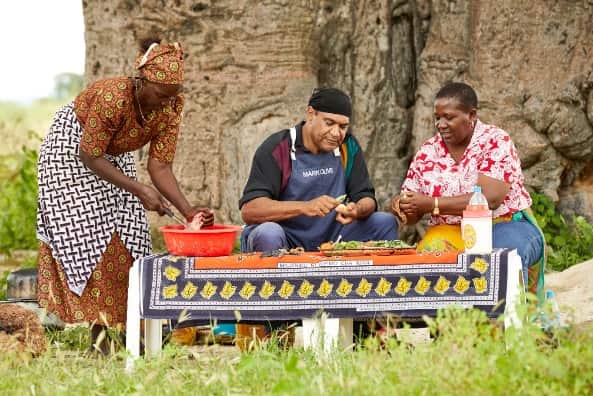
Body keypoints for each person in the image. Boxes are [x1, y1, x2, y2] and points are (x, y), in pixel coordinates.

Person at [36, 37, 214, 354]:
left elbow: (159, 166)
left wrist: (187, 212)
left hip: (111, 154)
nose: (163, 103)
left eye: (170, 96)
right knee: (91, 234)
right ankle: (100, 342)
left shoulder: (171, 105)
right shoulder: (113, 96)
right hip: (72, 150)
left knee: (130, 234)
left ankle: (132, 335)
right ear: (142, 80)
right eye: (159, 94)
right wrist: (139, 189)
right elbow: (90, 155)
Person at [391, 82, 544, 297]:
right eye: (437, 118)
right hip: (451, 231)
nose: (441, 124)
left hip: (503, 224)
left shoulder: (495, 141)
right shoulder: (428, 152)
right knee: (426, 261)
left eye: (449, 117)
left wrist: (431, 204)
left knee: (500, 260)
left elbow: (490, 198)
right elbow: (414, 215)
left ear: (471, 115)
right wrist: (403, 205)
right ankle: (445, 328)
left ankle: (505, 327)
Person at [239, 87, 397, 253]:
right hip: (287, 238)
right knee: (268, 233)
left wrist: (357, 210)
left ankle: (378, 279)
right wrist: (305, 207)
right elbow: (250, 210)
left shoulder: (347, 146)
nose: (336, 133)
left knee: (384, 222)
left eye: (343, 127)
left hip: (335, 237)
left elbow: (366, 198)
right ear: (311, 114)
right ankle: (275, 279)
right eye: (329, 123)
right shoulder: (279, 148)